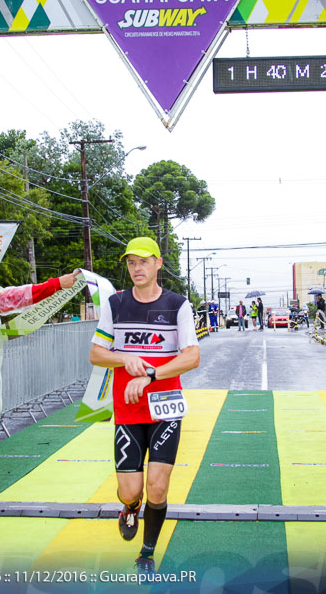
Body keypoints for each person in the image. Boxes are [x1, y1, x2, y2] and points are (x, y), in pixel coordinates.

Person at [89, 237, 200, 576]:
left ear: (158, 264)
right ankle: (130, 507)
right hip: (129, 406)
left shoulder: (178, 305)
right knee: (130, 490)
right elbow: (96, 354)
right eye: (131, 263)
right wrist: (125, 358)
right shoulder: (116, 303)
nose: (137, 268)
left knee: (158, 486)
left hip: (165, 405)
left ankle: (147, 552)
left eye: (144, 262)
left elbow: (192, 357)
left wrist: (151, 373)